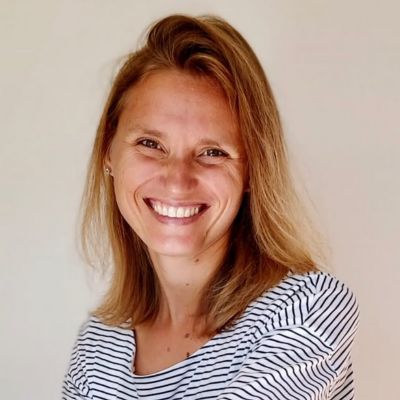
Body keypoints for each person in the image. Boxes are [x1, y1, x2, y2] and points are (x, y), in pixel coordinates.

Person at [62, 14, 359, 400]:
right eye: (150, 144)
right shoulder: (97, 351)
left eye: (213, 152)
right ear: (108, 153)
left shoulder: (306, 309)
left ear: (253, 171)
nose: (177, 180)